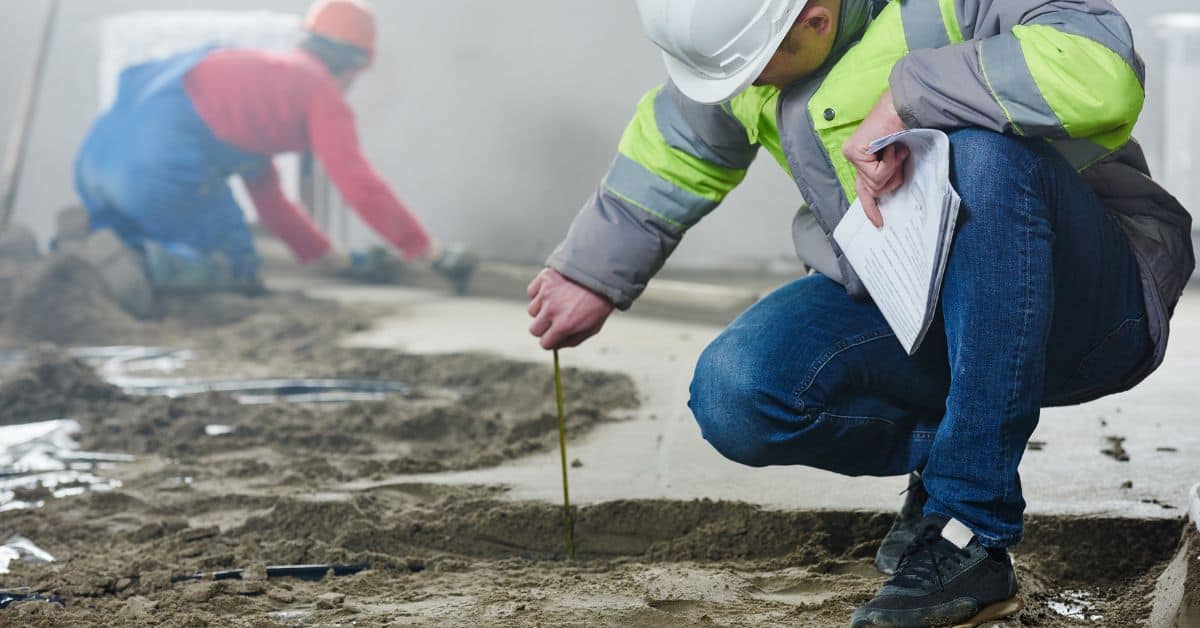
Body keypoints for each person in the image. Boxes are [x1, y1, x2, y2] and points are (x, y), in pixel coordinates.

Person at [527, 0, 1194, 625]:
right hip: (914, 303)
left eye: (754, 70)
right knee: (739, 392)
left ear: (815, 21)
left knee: (980, 156)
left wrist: (911, 97)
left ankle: (967, 528)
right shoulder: (757, 47)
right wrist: (590, 272)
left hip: (1089, 311)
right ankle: (956, 454)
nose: (745, 88)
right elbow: (679, 141)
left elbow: (1102, 70)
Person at [73, 0, 474, 311]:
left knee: (130, 232)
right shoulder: (317, 88)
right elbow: (359, 185)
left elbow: (271, 202)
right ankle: (144, 266)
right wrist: (426, 250)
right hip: (155, 164)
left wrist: (329, 259)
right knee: (236, 264)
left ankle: (80, 250)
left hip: (96, 160)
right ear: (353, 68)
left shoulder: (257, 84)